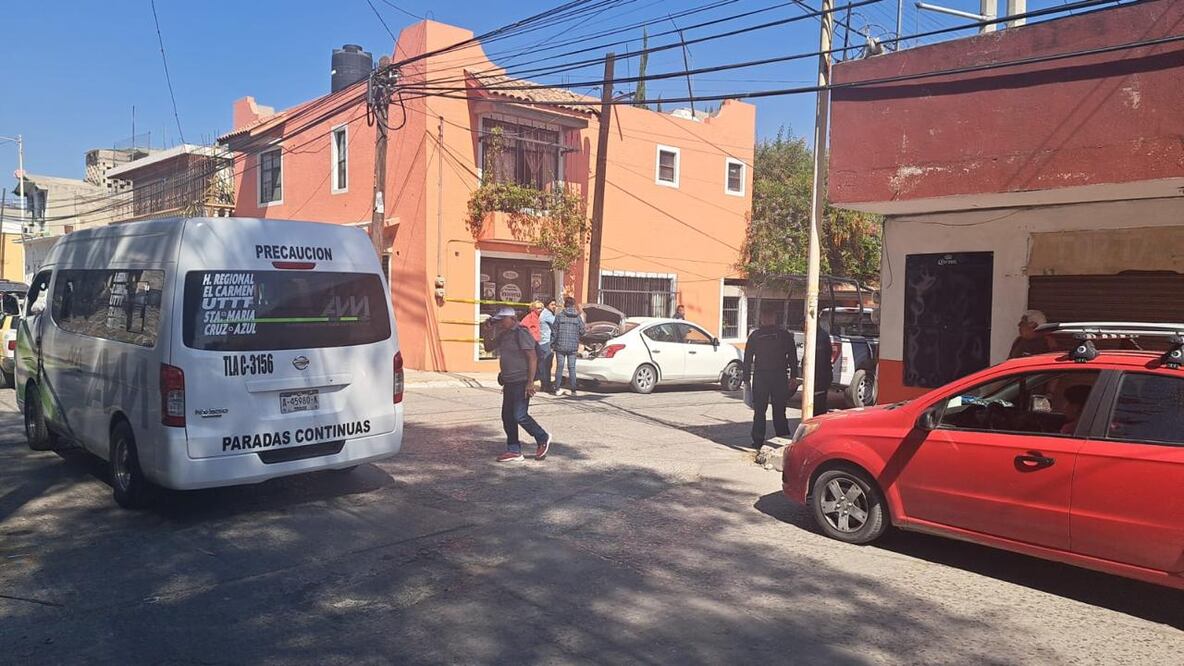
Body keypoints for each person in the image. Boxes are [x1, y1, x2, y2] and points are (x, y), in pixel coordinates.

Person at [482, 307, 551, 462]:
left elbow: (532, 357)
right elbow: (488, 347)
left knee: (519, 415)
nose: (500, 323)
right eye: (498, 320)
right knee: (507, 416)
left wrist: (530, 383)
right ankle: (514, 450)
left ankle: (542, 437)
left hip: (522, 381)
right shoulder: (504, 334)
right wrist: (487, 332)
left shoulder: (521, 332)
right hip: (509, 381)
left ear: (512, 319)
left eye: (502, 320)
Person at [744, 310, 797, 449]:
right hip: (761, 376)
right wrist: (746, 379)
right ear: (761, 318)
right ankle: (758, 440)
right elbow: (748, 357)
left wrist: (793, 376)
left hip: (779, 376)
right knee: (759, 410)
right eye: (765, 316)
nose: (767, 319)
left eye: (769, 316)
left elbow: (792, 356)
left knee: (779, 409)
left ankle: (783, 438)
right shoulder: (756, 336)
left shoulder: (783, 335)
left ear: (774, 318)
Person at [552, 297, 586, 397]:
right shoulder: (577, 317)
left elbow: (554, 331)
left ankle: (557, 389)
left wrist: (552, 343)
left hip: (560, 345)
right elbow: (582, 331)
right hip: (573, 346)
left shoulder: (559, 316)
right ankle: (573, 390)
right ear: (573, 305)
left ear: (565, 304)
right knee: (572, 368)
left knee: (559, 367)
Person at [810, 320, 835, 416]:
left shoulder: (820, 337)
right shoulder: (819, 335)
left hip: (820, 377)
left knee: (818, 406)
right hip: (819, 376)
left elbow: (822, 358)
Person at [537, 300, 556, 393]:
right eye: (552, 304)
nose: (554, 306)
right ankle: (546, 385)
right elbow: (557, 323)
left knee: (543, 365)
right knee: (547, 365)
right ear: (547, 305)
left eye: (555, 304)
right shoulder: (547, 314)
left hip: (542, 341)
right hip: (545, 342)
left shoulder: (545, 313)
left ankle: (544, 384)